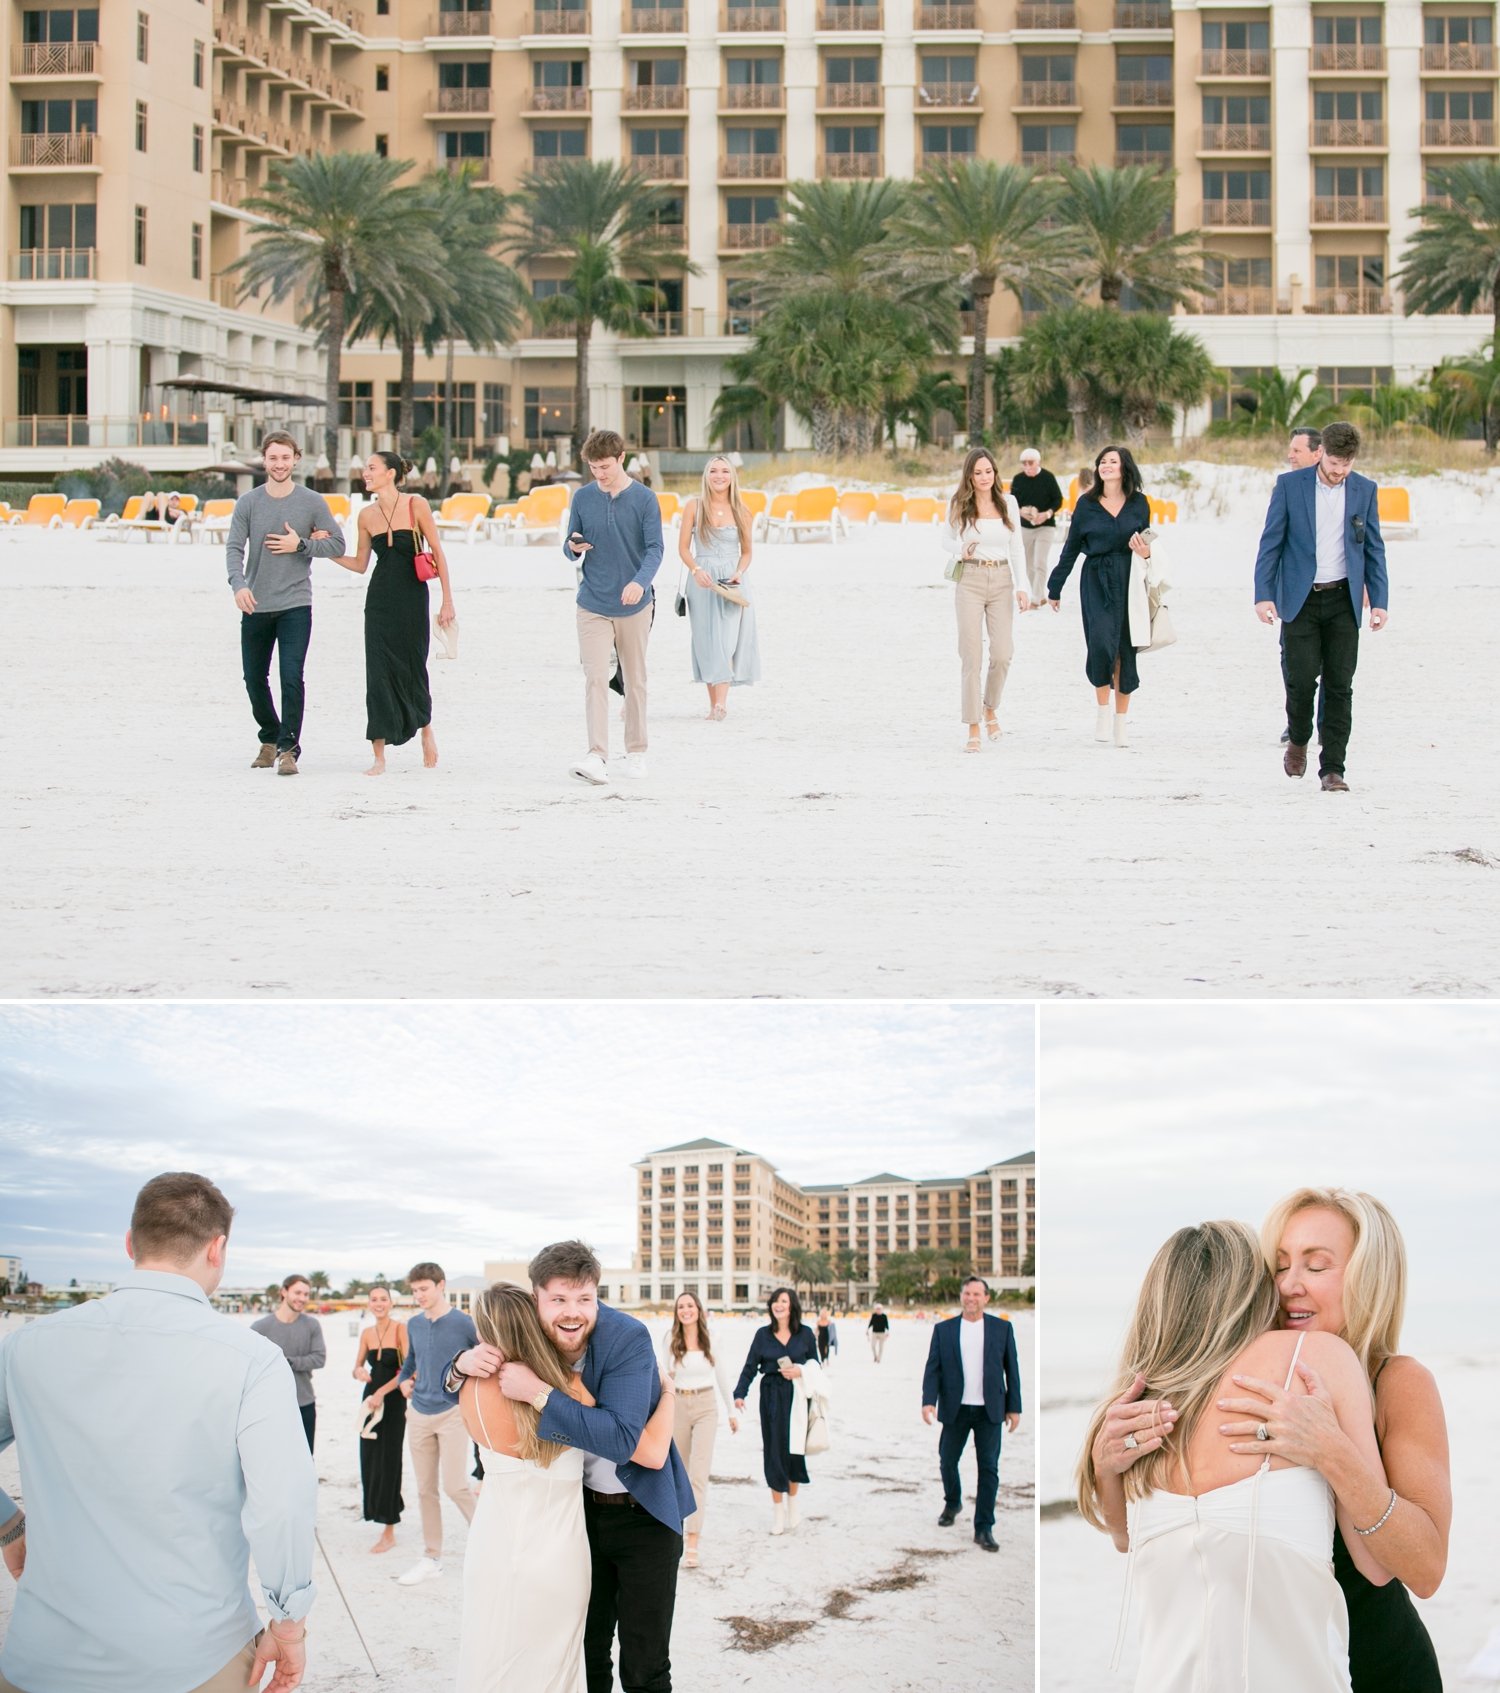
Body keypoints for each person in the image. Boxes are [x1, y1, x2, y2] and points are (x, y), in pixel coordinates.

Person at [0, 1171, 315, 1693]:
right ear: (217, 1249)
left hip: (43, 1656)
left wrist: (9, 1525)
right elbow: (282, 1505)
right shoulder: (252, 1360)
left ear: (130, 1243)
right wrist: (289, 1625)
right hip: (194, 1654)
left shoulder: (27, 1345)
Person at [1076, 1220, 1390, 1692]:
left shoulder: (1138, 1403)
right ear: (1251, 1289)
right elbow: (1376, 1563)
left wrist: (1104, 1469)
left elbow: (1125, 1538)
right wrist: (1335, 1451)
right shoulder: (1315, 1359)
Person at [1214, 1189, 1449, 1691]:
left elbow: (1427, 1569)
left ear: (1370, 1279)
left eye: (1316, 1267)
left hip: (1379, 1670)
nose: (1288, 1285)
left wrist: (1333, 1452)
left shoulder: (1398, 1381)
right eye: (1279, 1266)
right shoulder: (1248, 1379)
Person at [449, 1241, 695, 1693]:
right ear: (536, 1298)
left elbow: (625, 1441)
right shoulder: (532, 1336)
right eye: (559, 1299)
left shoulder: (626, 1337)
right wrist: (458, 1365)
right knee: (586, 1654)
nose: (573, 1313)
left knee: (644, 1666)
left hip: (646, 1516)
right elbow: (477, 1382)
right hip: (580, 1518)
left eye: (585, 1299)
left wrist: (541, 1395)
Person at [1254, 419, 1389, 792]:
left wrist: (1379, 600)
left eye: (1346, 464)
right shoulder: (1289, 486)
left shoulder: (1364, 489)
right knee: (1299, 681)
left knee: (1340, 685)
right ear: (1321, 453)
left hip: (1344, 600)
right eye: (1333, 463)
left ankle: (1333, 769)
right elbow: (1271, 543)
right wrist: (1263, 593)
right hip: (1301, 599)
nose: (1339, 471)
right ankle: (1298, 739)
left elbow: (1373, 547)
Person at [322, 450, 456, 776]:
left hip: (412, 598)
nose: (366, 473)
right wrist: (325, 550)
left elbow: (437, 551)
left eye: (372, 468)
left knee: (414, 665)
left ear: (391, 473)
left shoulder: (416, 505)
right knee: (378, 672)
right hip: (379, 602)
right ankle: (379, 756)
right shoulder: (365, 516)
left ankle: (425, 728)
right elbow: (359, 564)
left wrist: (447, 601)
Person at [226, 431, 346, 776]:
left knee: (291, 675)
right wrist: (238, 585)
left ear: (296, 459)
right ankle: (269, 736)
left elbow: (338, 544)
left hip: (296, 603)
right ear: (264, 460)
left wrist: (302, 545)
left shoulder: (311, 502)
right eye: (273, 458)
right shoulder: (248, 502)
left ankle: (288, 748)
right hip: (256, 603)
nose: (279, 464)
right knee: (253, 678)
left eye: (285, 458)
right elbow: (234, 549)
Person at [564, 430, 665, 786]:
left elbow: (655, 549)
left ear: (621, 458)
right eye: (593, 467)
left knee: (635, 680)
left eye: (605, 466)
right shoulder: (582, 497)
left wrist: (639, 582)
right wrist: (573, 547)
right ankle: (596, 755)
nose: (599, 474)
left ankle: (636, 752)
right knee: (594, 679)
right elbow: (569, 541)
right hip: (592, 601)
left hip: (635, 604)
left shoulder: (645, 499)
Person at [1047, 444, 1155, 749]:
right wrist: (1055, 587)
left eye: (1112, 461)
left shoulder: (1140, 503)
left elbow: (1148, 537)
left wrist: (1146, 551)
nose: (1106, 465)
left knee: (1126, 649)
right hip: (1095, 579)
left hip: (1130, 578)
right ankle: (1102, 712)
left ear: (1124, 468)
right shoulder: (1086, 504)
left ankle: (1121, 722)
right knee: (1101, 644)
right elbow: (1070, 548)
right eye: (1102, 462)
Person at [921, 1276, 1021, 1554]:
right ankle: (953, 1502)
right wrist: (928, 1401)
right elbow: (933, 1368)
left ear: (986, 1298)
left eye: (977, 1294)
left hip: (990, 1410)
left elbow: (1011, 1370)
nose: (972, 1298)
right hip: (956, 1407)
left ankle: (984, 1527)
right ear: (961, 1296)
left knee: (988, 1468)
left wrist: (1014, 1407)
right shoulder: (944, 1329)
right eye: (967, 1293)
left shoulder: (1002, 1328)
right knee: (947, 1460)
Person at [393, 1260, 478, 1587]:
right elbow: (411, 1360)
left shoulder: (465, 1323)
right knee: (425, 1490)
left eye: (424, 1289)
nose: (418, 1295)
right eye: (414, 1290)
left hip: (453, 1413)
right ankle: (432, 1558)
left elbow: (483, 1358)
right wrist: (403, 1380)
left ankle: (488, 1540)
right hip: (418, 1413)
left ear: (441, 1285)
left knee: (455, 1485)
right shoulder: (413, 1324)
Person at [945, 446, 1029, 753]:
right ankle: (974, 725)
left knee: (1003, 653)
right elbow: (946, 540)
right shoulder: (958, 503)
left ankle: (990, 707)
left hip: (1002, 580)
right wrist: (960, 548)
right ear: (969, 475)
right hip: (970, 578)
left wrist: (1024, 587)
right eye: (977, 472)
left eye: (988, 471)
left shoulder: (1008, 502)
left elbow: (1017, 547)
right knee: (971, 656)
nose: (983, 477)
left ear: (995, 472)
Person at [733, 1286, 826, 1536]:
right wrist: (740, 1393)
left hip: (797, 1395)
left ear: (792, 1305)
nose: (778, 1304)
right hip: (772, 1396)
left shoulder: (805, 1334)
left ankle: (793, 1504)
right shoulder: (763, 1335)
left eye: (783, 1301)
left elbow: (816, 1364)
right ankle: (778, 1512)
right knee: (774, 1451)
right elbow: (750, 1366)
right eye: (775, 1301)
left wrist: (800, 1371)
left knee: (795, 1450)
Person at [659, 1290, 739, 1569]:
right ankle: (676, 1532)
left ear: (699, 1310)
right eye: (681, 1306)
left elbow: (723, 1376)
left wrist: (731, 1411)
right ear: (677, 1312)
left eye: (690, 1305)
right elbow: (663, 1377)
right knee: (677, 1474)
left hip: (706, 1405)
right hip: (678, 1405)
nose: (685, 1310)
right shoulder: (670, 1339)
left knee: (698, 1476)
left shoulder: (712, 1339)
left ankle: (693, 1539)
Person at [678, 455, 760, 719]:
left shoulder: (742, 510)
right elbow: (683, 548)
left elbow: (747, 552)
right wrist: (696, 570)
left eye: (725, 471)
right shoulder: (694, 506)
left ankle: (721, 703)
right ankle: (714, 705)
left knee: (726, 640)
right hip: (701, 579)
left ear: (732, 476)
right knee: (706, 640)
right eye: (713, 471)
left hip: (731, 581)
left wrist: (738, 572)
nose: (719, 475)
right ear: (706, 475)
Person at [1279, 427, 1325, 747]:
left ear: (1317, 452)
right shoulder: (1286, 486)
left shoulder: (1342, 488)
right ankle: (1296, 721)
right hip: (1295, 591)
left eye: (1297, 450)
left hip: (1333, 589)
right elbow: (1274, 539)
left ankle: (1325, 723)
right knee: (1292, 661)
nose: (1290, 455)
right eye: (1291, 449)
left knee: (1330, 664)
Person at [354, 1282, 408, 1553]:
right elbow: (357, 1367)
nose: (378, 1303)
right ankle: (378, 1509)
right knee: (369, 1457)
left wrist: (382, 1393)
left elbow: (408, 1370)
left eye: (383, 1299)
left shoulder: (400, 1329)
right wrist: (360, 1373)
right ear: (369, 1303)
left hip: (393, 1400)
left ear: (391, 1302)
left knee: (389, 1460)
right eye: (374, 1299)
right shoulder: (366, 1333)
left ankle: (389, 1530)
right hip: (370, 1400)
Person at [252, 1272, 327, 1452]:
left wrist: (288, 1362)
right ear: (284, 1292)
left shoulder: (312, 1325)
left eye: (306, 1294)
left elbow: (319, 1358)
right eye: (298, 1293)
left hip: (304, 1402)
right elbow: (250, 1366)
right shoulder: (260, 1327)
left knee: (305, 1458)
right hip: (270, 1405)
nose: (302, 1298)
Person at [1010, 447, 1065, 609]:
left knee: (1040, 561)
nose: (1027, 466)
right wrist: (1022, 512)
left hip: (1046, 526)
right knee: (1027, 564)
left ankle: (1035, 598)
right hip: (1025, 526)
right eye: (1024, 463)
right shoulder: (1018, 479)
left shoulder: (1048, 478)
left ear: (1038, 462)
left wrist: (1046, 514)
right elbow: (1013, 502)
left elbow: (1058, 500)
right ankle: (1039, 594)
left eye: (1030, 462)